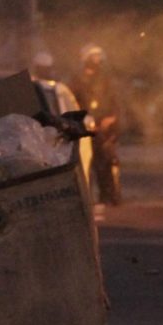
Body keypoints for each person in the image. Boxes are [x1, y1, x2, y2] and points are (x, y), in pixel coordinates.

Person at [70, 44, 123, 207]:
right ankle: (87, 196)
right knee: (86, 164)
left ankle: (110, 196)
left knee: (107, 162)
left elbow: (116, 104)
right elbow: (72, 102)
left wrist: (111, 119)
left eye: (98, 57)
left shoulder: (107, 80)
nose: (97, 61)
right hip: (85, 128)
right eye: (93, 57)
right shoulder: (76, 81)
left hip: (105, 129)